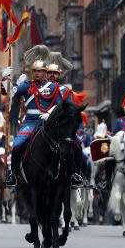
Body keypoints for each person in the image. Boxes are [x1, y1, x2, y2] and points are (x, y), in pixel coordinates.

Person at [3, 52, 72, 188]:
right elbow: (9, 94)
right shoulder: (27, 86)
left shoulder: (54, 87)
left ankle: (70, 174)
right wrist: (5, 79)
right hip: (30, 122)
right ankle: (14, 175)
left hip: (48, 122)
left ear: (46, 72)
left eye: (40, 71)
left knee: (66, 145)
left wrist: (49, 114)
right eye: (34, 71)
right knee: (17, 145)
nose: (36, 73)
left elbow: (59, 105)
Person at [47, 52, 86, 187]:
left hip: (62, 127)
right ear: (46, 74)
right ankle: (19, 174)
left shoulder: (65, 91)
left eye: (55, 73)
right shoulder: (40, 89)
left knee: (78, 144)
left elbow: (70, 110)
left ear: (60, 75)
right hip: (44, 124)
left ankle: (75, 173)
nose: (52, 75)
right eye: (50, 72)